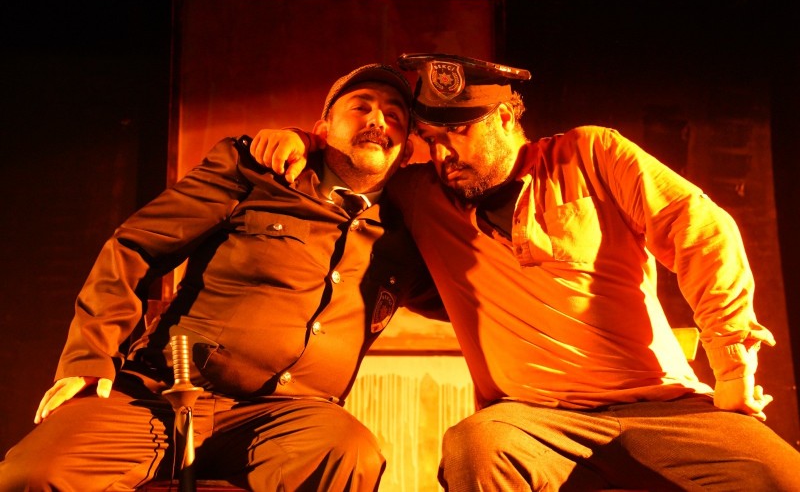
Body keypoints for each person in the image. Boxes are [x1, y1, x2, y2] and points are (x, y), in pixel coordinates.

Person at [249, 53, 800, 491]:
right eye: (432, 140)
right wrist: (307, 139)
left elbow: (701, 230)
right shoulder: (420, 194)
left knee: (779, 475)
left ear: (505, 119)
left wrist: (732, 366)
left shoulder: (591, 153)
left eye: (458, 133)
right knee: (474, 447)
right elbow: (359, 157)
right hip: (530, 422)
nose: (443, 155)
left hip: (662, 408)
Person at [0, 63, 444, 492]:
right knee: (31, 474)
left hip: (290, 419)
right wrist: (90, 357)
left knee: (349, 452)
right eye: (360, 107)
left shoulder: (408, 234)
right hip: (161, 396)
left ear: (406, 151)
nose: (376, 120)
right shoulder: (253, 171)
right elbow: (134, 247)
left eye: (393, 115)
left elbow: (466, 295)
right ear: (323, 130)